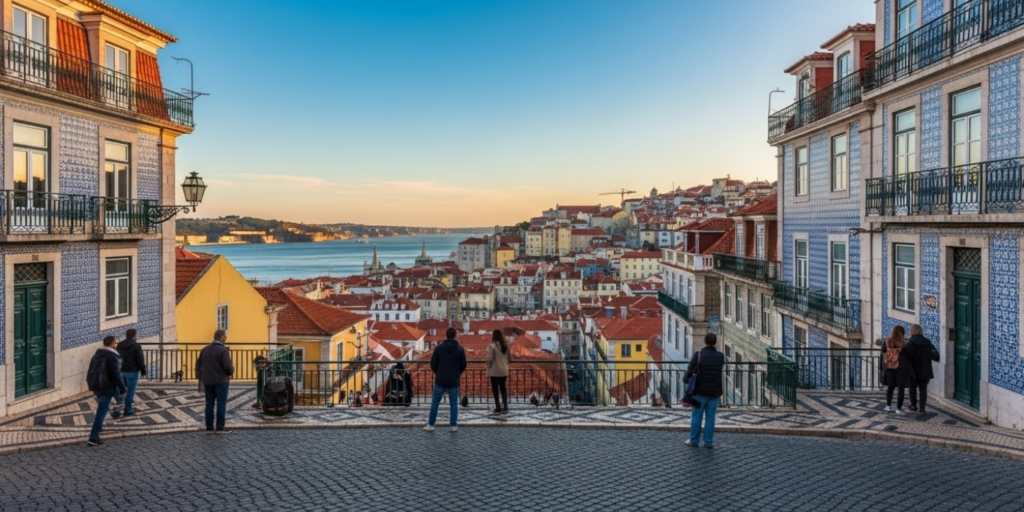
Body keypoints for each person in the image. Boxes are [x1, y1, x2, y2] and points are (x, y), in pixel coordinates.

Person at [684, 333, 724, 448]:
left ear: (705, 342)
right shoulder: (720, 356)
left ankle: (694, 440)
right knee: (710, 417)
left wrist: (686, 380)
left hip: (700, 392)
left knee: (697, 416)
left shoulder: (699, 355)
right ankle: (708, 442)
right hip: (715, 392)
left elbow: (690, 370)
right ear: (715, 342)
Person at [86, 336, 127, 446]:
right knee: (101, 413)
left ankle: (97, 436)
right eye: (116, 343)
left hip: (96, 386)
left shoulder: (97, 354)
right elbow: (116, 375)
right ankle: (93, 437)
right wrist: (123, 388)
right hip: (106, 387)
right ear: (113, 344)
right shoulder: (112, 356)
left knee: (102, 410)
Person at [425, 327, 467, 433]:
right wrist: (457, 373)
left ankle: (431, 424)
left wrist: (438, 373)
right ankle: (453, 425)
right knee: (453, 403)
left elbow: (433, 363)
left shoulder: (439, 348)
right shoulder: (459, 349)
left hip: (441, 379)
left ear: (446, 335)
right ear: (455, 335)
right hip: (454, 380)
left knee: (435, 402)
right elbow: (463, 364)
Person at [196, 329, 234, 434]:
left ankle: (209, 428)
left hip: (207, 381)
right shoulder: (223, 351)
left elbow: (198, 365)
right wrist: (232, 370)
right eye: (225, 336)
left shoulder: (205, 350)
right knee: (221, 404)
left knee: (209, 404)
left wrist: (202, 377)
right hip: (221, 381)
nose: (226, 338)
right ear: (222, 338)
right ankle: (220, 428)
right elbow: (227, 367)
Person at [905, 324, 938, 415]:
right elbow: (935, 355)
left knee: (912, 388)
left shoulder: (910, 342)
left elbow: (906, 356)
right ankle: (922, 408)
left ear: (912, 331)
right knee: (923, 390)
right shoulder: (928, 342)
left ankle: (913, 406)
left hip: (913, 370)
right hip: (925, 369)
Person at [115, 328, 146, 417]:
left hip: (121, 370)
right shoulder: (136, 346)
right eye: (136, 334)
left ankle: (122, 405)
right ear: (134, 335)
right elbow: (140, 359)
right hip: (132, 371)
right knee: (130, 391)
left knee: (123, 390)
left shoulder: (120, 345)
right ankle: (128, 410)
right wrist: (143, 370)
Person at [883, 325, 913, 415]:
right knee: (901, 388)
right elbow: (911, 353)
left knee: (890, 387)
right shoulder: (905, 343)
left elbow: (883, 350)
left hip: (890, 366)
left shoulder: (887, 341)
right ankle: (898, 409)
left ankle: (888, 406)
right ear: (903, 333)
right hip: (901, 368)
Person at [486, 329, 510, 414]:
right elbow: (509, 359)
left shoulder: (492, 346)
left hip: (495, 371)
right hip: (504, 370)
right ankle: (506, 407)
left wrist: (487, 360)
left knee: (495, 390)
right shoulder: (505, 346)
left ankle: (498, 407)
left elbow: (489, 359)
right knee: (503, 389)